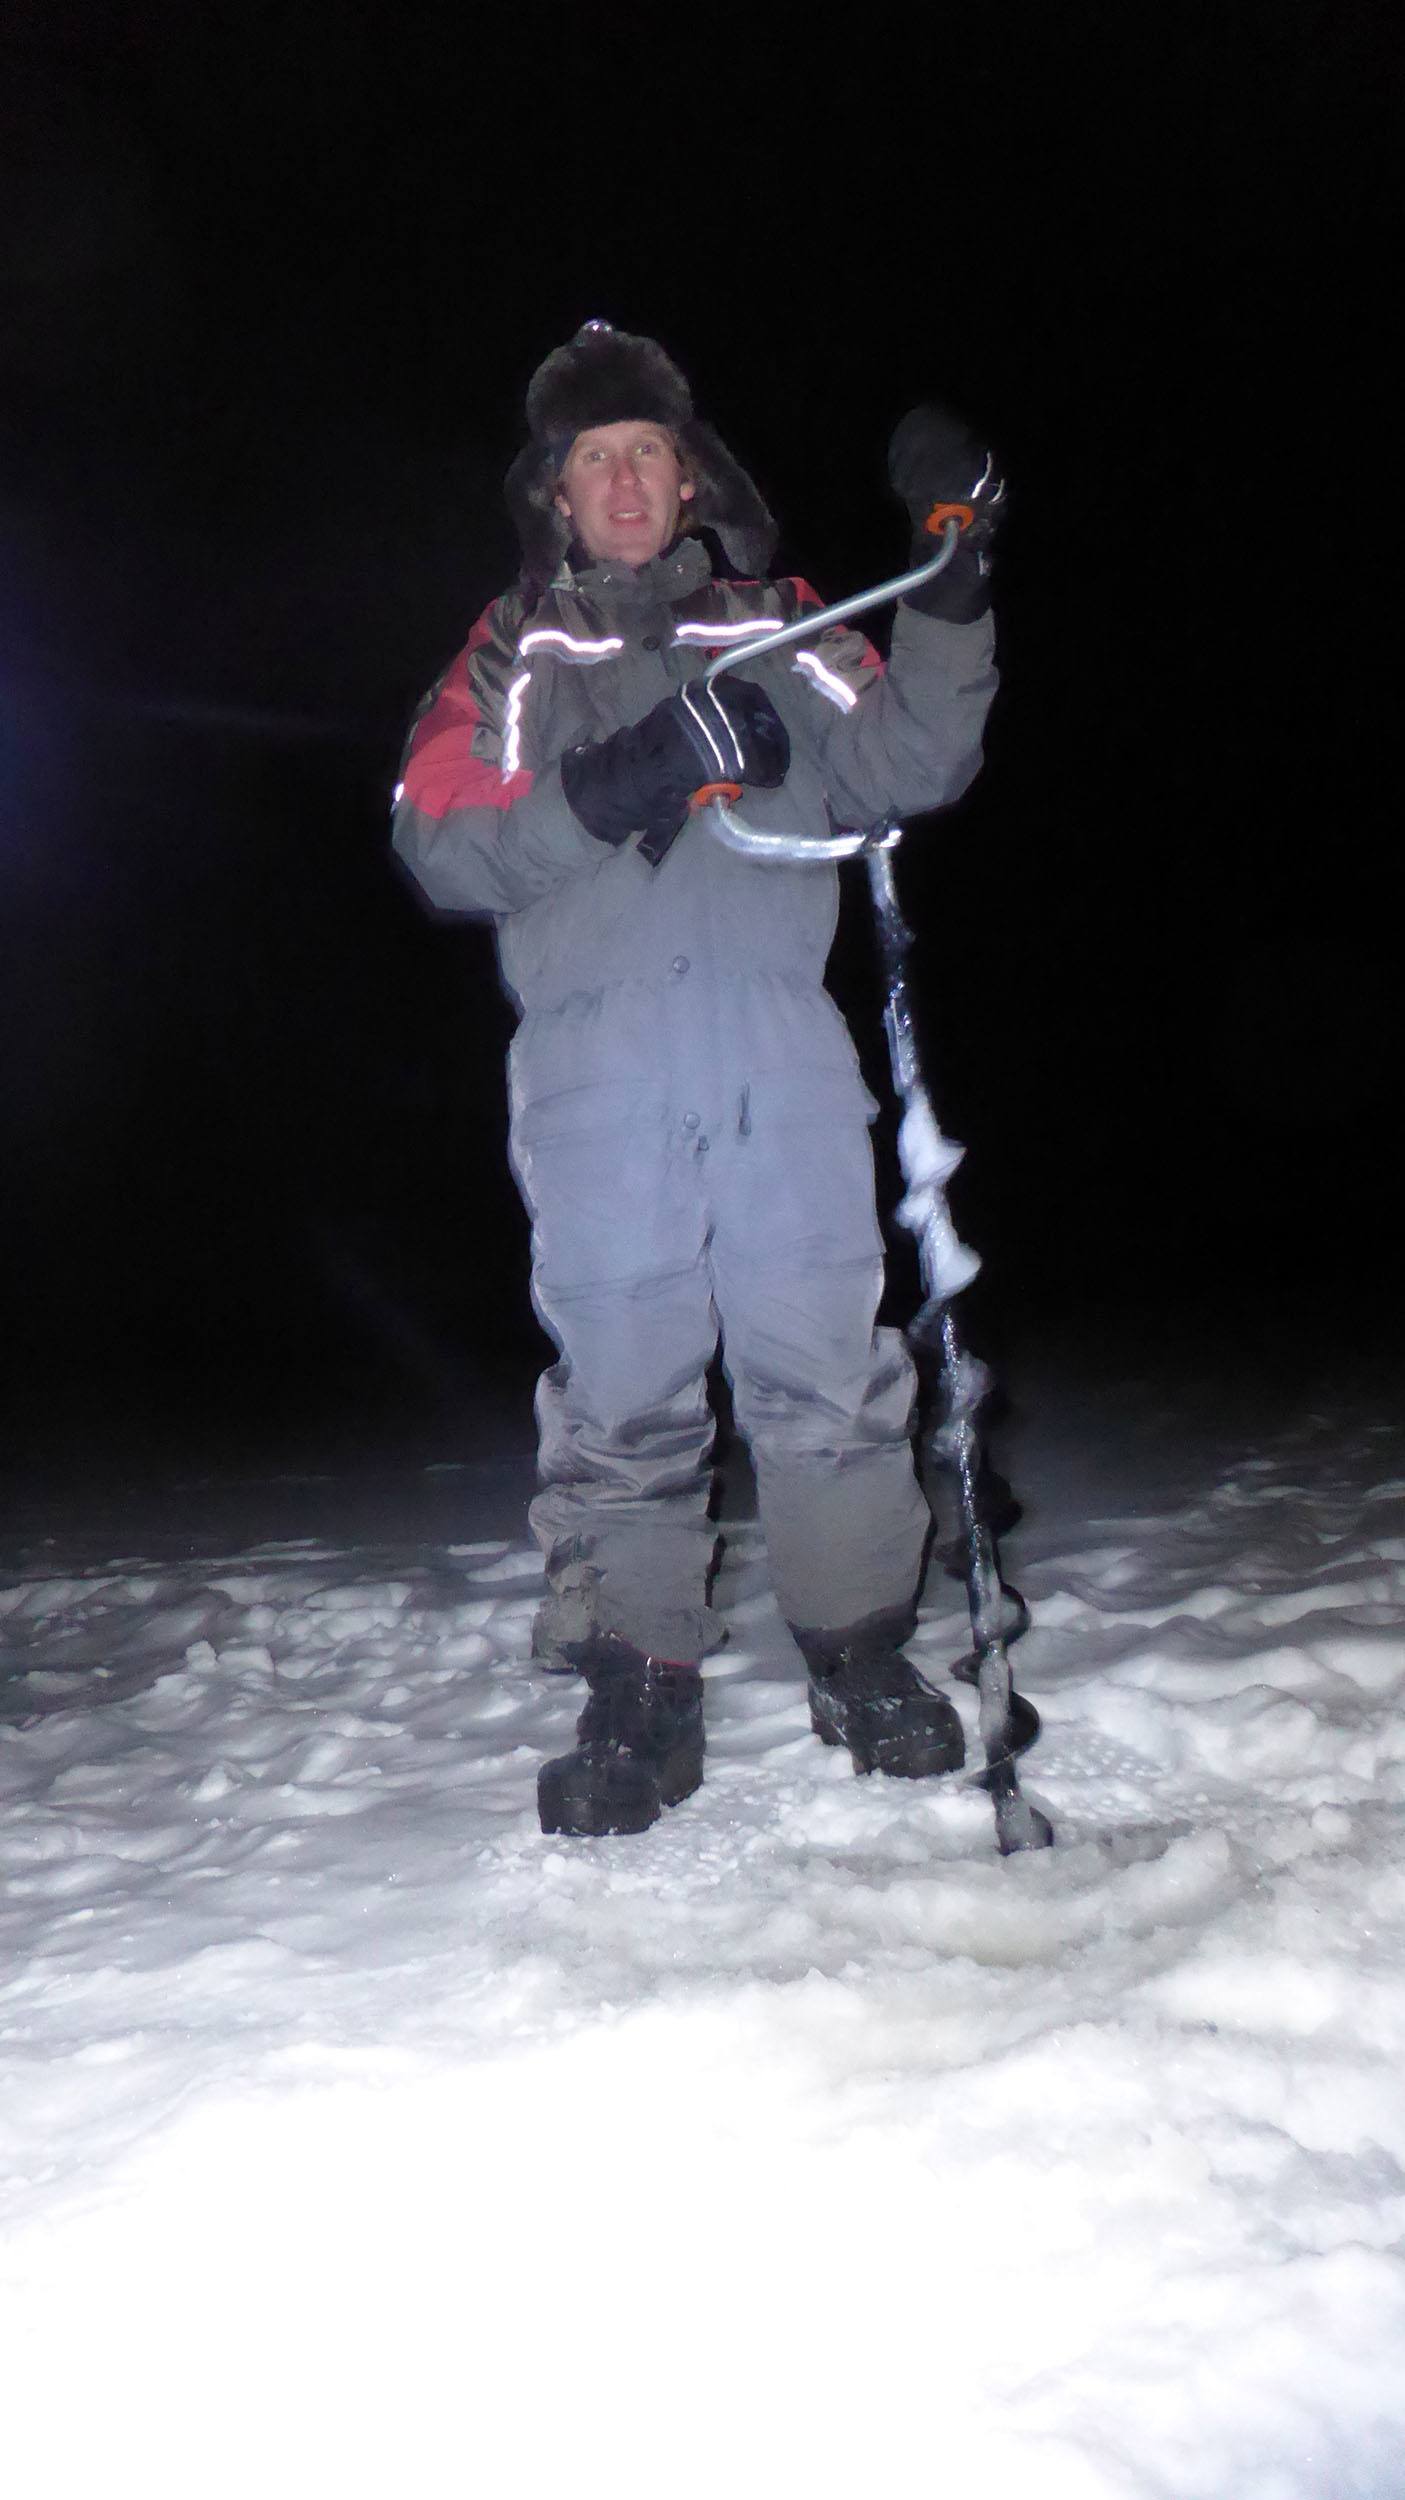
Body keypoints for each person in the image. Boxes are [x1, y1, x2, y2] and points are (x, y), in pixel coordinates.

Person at [392, 321, 1005, 1837]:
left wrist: (948, 587)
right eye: (591, 457)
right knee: (620, 1396)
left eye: (644, 453)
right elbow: (437, 835)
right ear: (554, 491)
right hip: (597, 1083)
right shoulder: (508, 654)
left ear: (688, 480)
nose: (620, 479)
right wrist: (609, 786)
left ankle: (858, 1654)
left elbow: (913, 760)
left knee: (826, 1372)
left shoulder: (786, 624)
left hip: (779, 1064)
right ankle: (635, 1684)